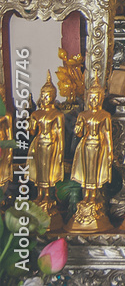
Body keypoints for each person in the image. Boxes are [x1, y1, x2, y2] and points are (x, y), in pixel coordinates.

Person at [66, 81, 114, 233]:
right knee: (86, 171)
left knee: (94, 172)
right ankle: (85, 196)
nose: (94, 101)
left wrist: (110, 152)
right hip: (86, 145)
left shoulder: (105, 115)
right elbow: (78, 133)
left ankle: (92, 197)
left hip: (99, 146)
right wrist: (78, 128)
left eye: (96, 98)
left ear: (101, 98)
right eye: (91, 98)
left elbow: (107, 134)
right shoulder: (83, 114)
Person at [27, 73, 64, 229]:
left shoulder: (57, 114)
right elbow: (32, 132)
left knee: (48, 171)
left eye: (48, 95)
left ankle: (47, 195)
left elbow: (60, 135)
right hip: (39, 144)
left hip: (51, 145)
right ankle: (39, 195)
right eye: (43, 95)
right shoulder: (37, 113)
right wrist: (30, 122)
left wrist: (61, 152)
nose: (45, 98)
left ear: (53, 97)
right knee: (40, 171)